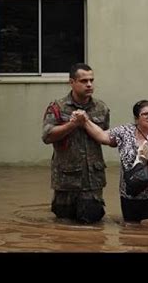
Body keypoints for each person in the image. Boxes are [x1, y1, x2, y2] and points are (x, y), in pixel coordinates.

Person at [73, 100, 148, 223]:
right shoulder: (125, 132)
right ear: (136, 118)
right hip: (129, 196)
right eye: (145, 114)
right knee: (130, 234)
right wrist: (85, 122)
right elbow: (102, 136)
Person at [42, 63, 110, 224]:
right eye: (84, 81)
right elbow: (47, 136)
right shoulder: (57, 107)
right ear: (72, 82)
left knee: (93, 226)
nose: (89, 84)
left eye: (91, 80)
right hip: (66, 180)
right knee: (63, 228)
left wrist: (86, 123)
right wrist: (72, 124)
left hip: (93, 180)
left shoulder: (101, 108)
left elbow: (106, 136)